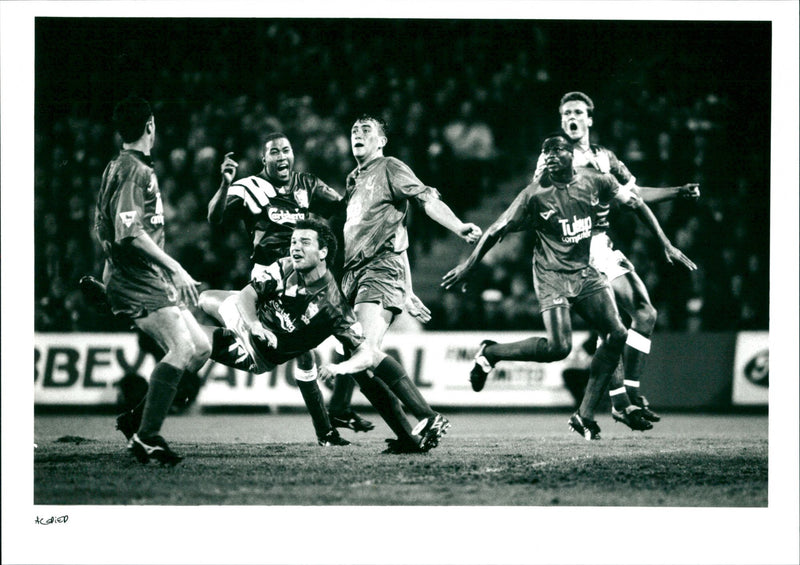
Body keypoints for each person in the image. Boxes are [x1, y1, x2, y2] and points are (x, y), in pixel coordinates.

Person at [443, 132, 693, 440]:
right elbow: (496, 230)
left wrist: (666, 243)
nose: (549, 158)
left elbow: (637, 201)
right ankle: (492, 353)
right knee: (559, 348)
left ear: (570, 157)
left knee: (617, 332)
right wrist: (468, 266)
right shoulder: (534, 195)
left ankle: (585, 415)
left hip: (585, 270)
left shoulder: (596, 180)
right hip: (551, 276)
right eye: (545, 154)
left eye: (556, 153)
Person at [199, 219, 447, 452]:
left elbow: (367, 354)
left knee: (196, 342)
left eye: (305, 242)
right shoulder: (286, 266)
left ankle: (420, 420)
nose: (295, 247)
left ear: (323, 253)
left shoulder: (333, 308)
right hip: (250, 320)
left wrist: (341, 369)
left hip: (253, 350)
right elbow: (247, 296)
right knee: (202, 298)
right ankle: (335, 426)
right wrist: (254, 324)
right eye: (294, 241)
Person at [536, 91, 700, 422]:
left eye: (579, 111)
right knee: (613, 323)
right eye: (567, 111)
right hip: (575, 247)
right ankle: (623, 400)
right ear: (561, 119)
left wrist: (677, 192)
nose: (573, 116)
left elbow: (635, 195)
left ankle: (627, 395)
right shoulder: (551, 157)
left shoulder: (605, 157)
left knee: (644, 313)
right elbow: (537, 198)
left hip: (602, 243)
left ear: (589, 119)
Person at [206, 133, 374, 435]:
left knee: (318, 347)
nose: (281, 156)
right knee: (320, 344)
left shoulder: (307, 184)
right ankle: (334, 416)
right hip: (272, 275)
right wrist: (225, 184)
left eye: (286, 150)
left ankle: (332, 419)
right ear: (263, 158)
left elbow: (340, 205)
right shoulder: (247, 187)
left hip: (303, 273)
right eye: (274, 152)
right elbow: (215, 217)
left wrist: (362, 179)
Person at [337, 114, 483, 452]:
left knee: (365, 350)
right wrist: (410, 288)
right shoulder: (353, 179)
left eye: (367, 130)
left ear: (381, 141)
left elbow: (426, 200)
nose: (358, 134)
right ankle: (409, 436)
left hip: (378, 269)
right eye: (354, 129)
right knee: (359, 363)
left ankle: (427, 416)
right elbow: (397, 231)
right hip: (352, 275)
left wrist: (458, 225)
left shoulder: (390, 167)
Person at [94, 96, 211, 465]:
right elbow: (127, 230)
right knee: (181, 348)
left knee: (201, 348)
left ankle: (135, 420)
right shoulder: (134, 171)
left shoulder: (119, 166)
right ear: (150, 126)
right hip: (140, 277)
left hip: (139, 276)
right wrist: (174, 266)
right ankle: (147, 436)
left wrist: (106, 274)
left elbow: (104, 225)